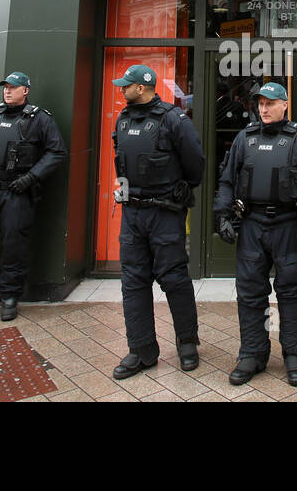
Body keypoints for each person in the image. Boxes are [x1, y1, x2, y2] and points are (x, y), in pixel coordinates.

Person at [214, 82, 297, 387]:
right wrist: (223, 215)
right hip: (252, 225)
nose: (264, 109)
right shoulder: (245, 138)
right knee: (250, 292)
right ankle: (253, 353)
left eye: (270, 103)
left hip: (288, 225)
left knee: (291, 292)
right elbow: (227, 180)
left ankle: (294, 353)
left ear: (285, 105)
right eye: (260, 104)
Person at [106, 64, 205, 379]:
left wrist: (184, 186)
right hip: (132, 214)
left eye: (127, 85)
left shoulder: (173, 119)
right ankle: (141, 350)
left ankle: (187, 343)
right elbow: (119, 159)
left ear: (142, 87)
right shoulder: (123, 120)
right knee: (133, 282)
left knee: (174, 279)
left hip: (164, 213)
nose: (122, 90)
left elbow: (196, 163)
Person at [0, 72, 68, 322]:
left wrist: (31, 177)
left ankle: (10, 296)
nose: (8, 91)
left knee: (13, 247)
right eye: (5, 87)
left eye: (13, 87)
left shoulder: (39, 119)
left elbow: (56, 153)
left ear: (25, 91)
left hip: (16, 192)